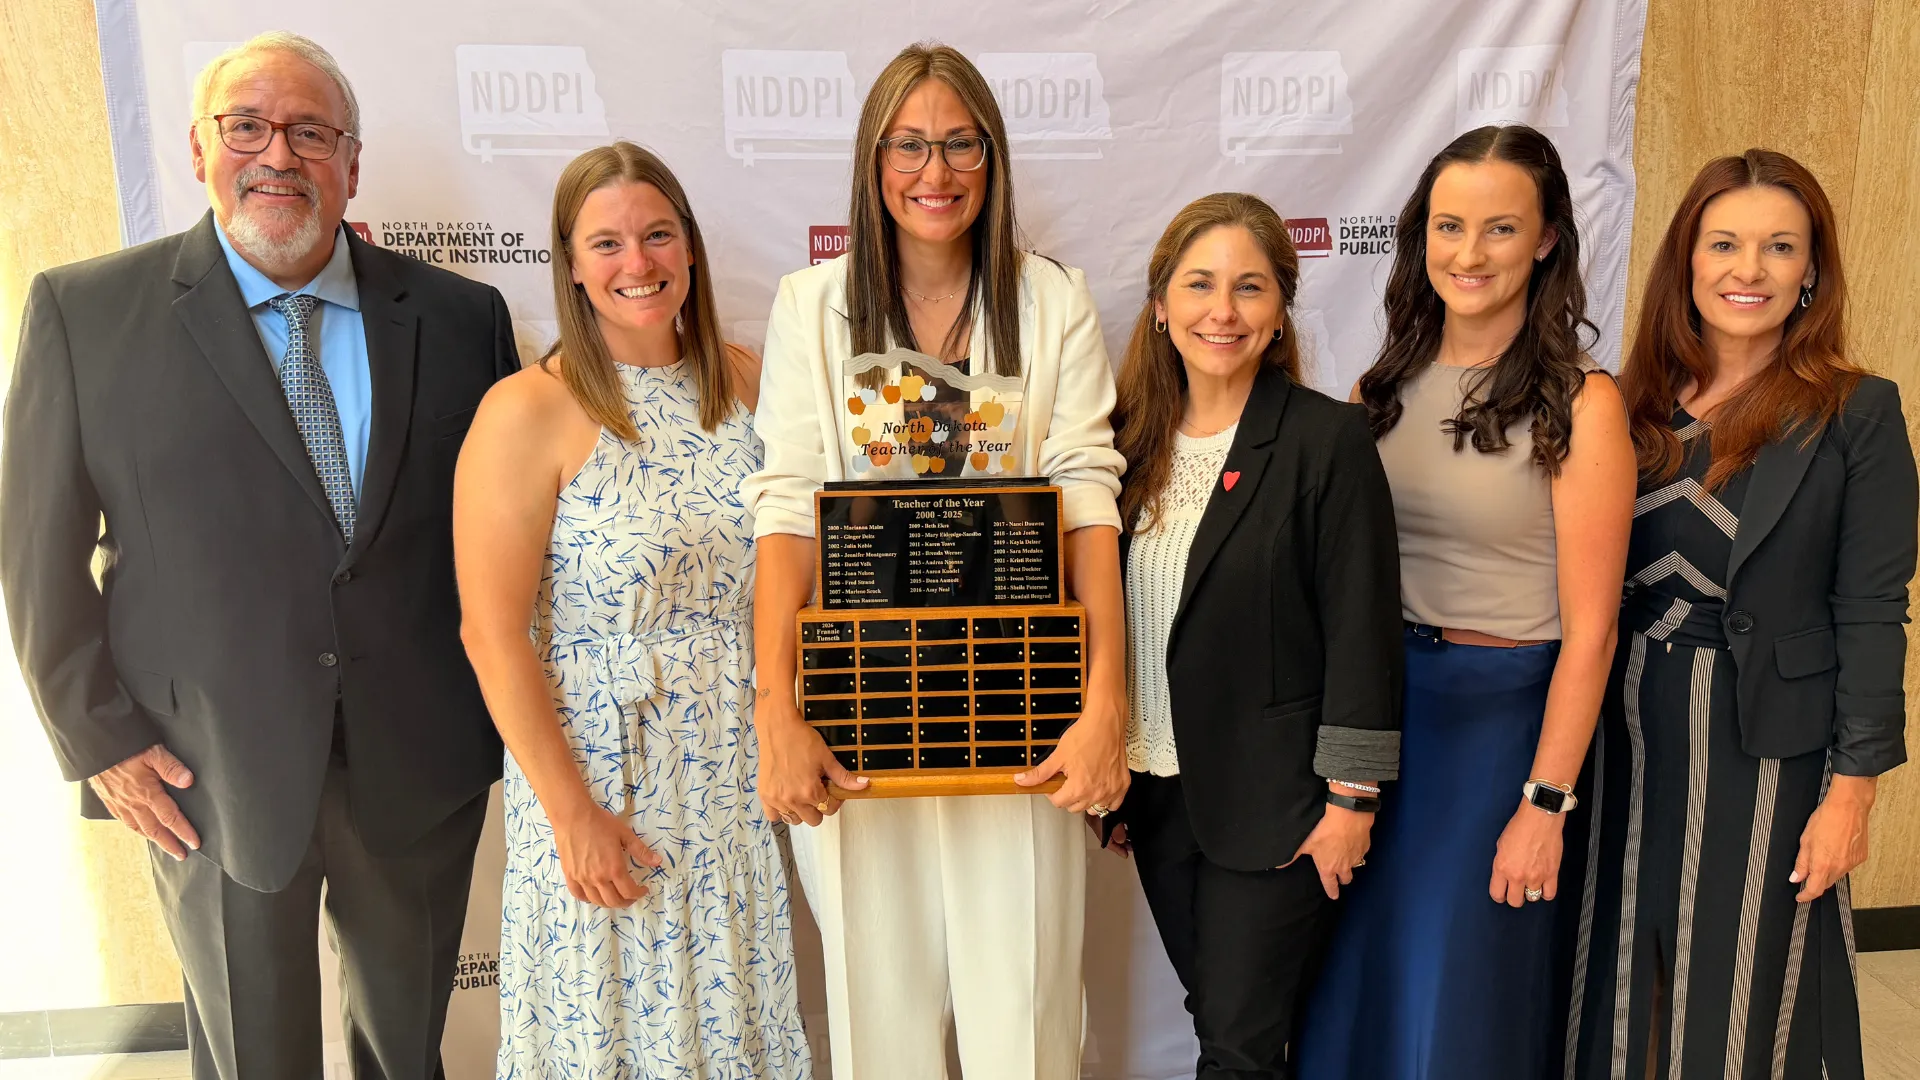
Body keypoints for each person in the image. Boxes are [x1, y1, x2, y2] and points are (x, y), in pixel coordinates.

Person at [0, 32, 516, 1079]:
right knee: (251, 1058)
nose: (278, 154)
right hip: (206, 772)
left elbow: (506, 547)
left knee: (406, 1051)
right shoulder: (84, 312)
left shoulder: (464, 318)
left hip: (417, 768)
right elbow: (36, 552)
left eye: (311, 132)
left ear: (351, 163)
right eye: (248, 126)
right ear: (200, 149)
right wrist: (98, 741)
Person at [742, 42, 1128, 1080]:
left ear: (993, 161)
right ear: (873, 165)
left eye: (961, 144)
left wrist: (1104, 708)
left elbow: (1090, 504)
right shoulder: (809, 308)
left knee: (1030, 1025)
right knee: (880, 1030)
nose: (936, 171)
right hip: (857, 710)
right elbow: (785, 513)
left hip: (1023, 713)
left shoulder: (1050, 302)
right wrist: (775, 709)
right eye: (908, 145)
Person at [454, 141, 807, 1077]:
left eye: (656, 235)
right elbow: (490, 635)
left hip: (732, 768)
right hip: (605, 771)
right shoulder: (528, 409)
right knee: (610, 1020)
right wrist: (570, 813)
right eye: (605, 243)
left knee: (730, 1012)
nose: (637, 263)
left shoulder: (751, 379)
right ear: (570, 263)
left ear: (689, 247)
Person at [1561, 150, 1914, 1080]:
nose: (1747, 270)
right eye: (1723, 243)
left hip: (1763, 744)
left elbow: (1874, 610)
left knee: (1738, 990)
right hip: (1617, 732)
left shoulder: (1857, 412)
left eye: (1778, 247)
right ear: (1686, 259)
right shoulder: (1620, 404)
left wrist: (1854, 790)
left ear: (1812, 271)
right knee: (1613, 972)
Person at [1295, 124, 1637, 1079]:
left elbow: (1594, 631)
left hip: (1499, 732)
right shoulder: (1378, 391)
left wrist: (1544, 804)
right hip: (1375, 726)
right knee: (1351, 996)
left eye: (1499, 228)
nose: (1469, 252)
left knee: (1458, 1010)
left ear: (1548, 241)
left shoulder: (1583, 403)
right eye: (1450, 226)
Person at [1105, 192, 1402, 1079]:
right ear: (1161, 306)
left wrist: (1352, 802)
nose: (1222, 311)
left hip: (1279, 803)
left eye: (1250, 288)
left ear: (1280, 311)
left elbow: (1363, 630)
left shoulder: (1326, 440)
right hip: (1157, 797)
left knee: (1236, 1045)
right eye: (1199, 286)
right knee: (1227, 1024)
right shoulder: (1122, 445)